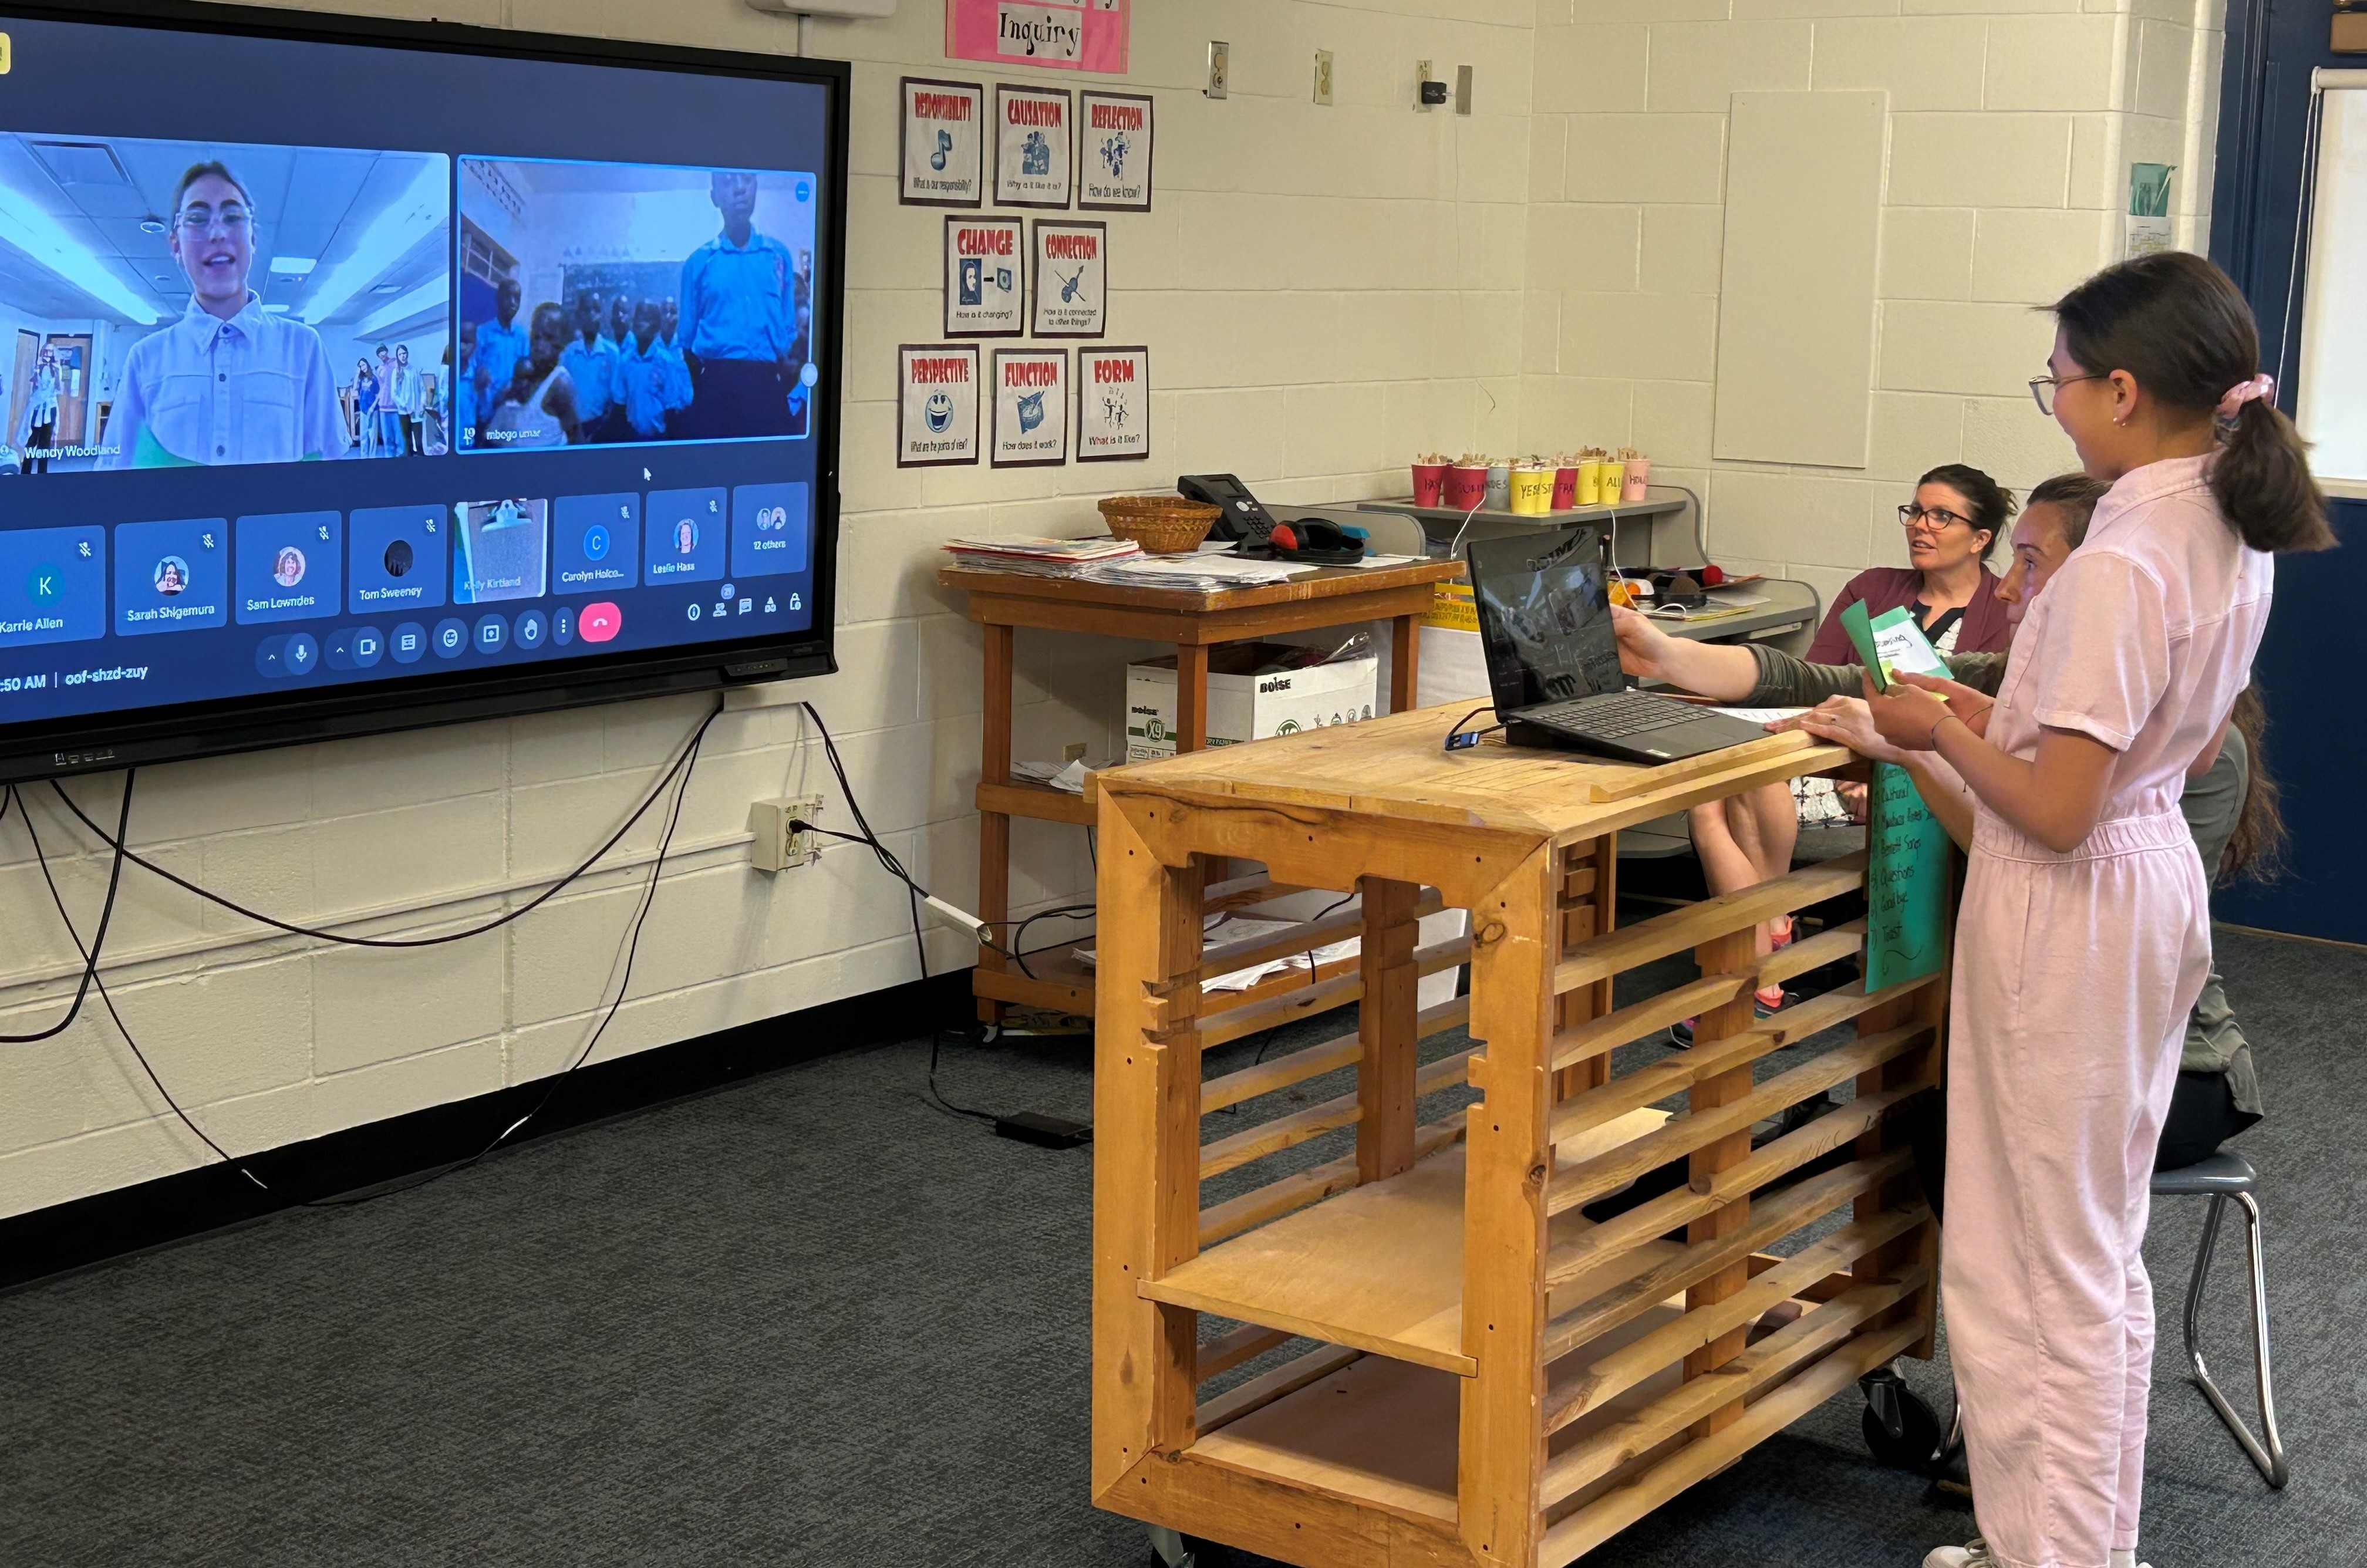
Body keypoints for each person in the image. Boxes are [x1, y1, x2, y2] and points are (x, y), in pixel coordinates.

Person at [1846, 252, 2328, 1568]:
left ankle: (2052, 1554)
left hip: (2073, 900)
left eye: (2059, 379)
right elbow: (2089, 751)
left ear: (2123, 389)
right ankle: (2071, 1545)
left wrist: (1917, 731)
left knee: (2026, 1266)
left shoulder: (2127, 556)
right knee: (2083, 1250)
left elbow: (2055, 808)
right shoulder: (2219, 521)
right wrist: (1962, 712)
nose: (2051, 402)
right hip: (2130, 880)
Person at [1668, 463, 2021, 1041]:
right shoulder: (1875, 589)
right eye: (1914, 512)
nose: (1920, 527)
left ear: (1981, 539)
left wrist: (1880, 763)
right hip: (1834, 760)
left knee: (1722, 800)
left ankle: (1753, 968)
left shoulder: (2000, 611)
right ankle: (1765, 946)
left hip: (1929, 782)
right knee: (1717, 791)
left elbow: (1981, 728)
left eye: (1941, 516)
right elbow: (1817, 679)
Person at [106, 163, 346, 468]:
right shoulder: (145, 360)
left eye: (233, 217)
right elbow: (115, 477)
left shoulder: (304, 348)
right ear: (176, 245)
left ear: (253, 239)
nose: (218, 232)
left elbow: (330, 474)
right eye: (197, 219)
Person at [676, 170, 801, 439]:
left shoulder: (778, 257)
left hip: (767, 387)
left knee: (769, 473)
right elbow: (685, 342)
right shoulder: (699, 262)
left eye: (747, 180)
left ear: (756, 187)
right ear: (714, 197)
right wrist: (711, 383)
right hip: (715, 388)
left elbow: (788, 329)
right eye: (728, 182)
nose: (739, 189)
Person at [483, 302, 581, 450]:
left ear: (563, 343)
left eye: (549, 338)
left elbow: (577, 441)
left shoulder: (560, 384)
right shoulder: (523, 374)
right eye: (537, 336)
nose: (540, 345)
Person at [615, 299, 692, 441]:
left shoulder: (666, 361)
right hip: (631, 437)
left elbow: (672, 406)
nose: (639, 323)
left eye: (646, 319)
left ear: (656, 327)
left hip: (659, 437)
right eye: (637, 318)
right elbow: (620, 402)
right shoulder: (626, 361)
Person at [468, 276, 530, 447]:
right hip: (486, 413)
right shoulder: (482, 333)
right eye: (508, 297)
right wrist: (480, 378)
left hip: (511, 413)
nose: (512, 302)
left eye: (517, 298)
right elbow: (472, 369)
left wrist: (510, 391)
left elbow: (526, 373)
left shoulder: (522, 336)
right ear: (498, 299)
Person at [559, 291, 620, 443]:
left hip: (600, 429)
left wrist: (600, 431)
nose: (592, 314)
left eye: (596, 310)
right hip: (571, 430)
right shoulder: (569, 353)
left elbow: (615, 401)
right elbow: (561, 396)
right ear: (579, 315)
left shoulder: (612, 353)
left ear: (602, 315)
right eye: (587, 310)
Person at [15, 345, 61, 473]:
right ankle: (25, 473)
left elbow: (58, 389)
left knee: (44, 444)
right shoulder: (37, 367)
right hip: (37, 409)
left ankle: (42, 474)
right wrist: (37, 369)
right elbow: (34, 386)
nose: (48, 353)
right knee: (31, 441)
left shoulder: (57, 368)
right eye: (46, 350)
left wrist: (56, 370)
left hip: (50, 408)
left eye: (51, 351)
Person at [391, 343, 423, 455]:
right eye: (400, 354)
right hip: (404, 412)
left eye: (404, 353)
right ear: (397, 356)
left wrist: (422, 404)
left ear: (407, 354)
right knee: (407, 442)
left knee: (419, 443)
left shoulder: (414, 370)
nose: (403, 356)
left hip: (417, 412)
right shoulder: (396, 372)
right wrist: (406, 406)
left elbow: (422, 388)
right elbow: (394, 394)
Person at [353, 360, 380, 457]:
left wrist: (372, 408)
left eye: (363, 365)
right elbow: (355, 389)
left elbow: (378, 395)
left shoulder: (374, 379)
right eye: (360, 366)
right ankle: (364, 457)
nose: (362, 367)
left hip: (373, 410)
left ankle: (372, 457)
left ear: (367, 364)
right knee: (363, 435)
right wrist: (357, 374)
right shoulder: (360, 379)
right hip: (363, 410)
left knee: (372, 435)